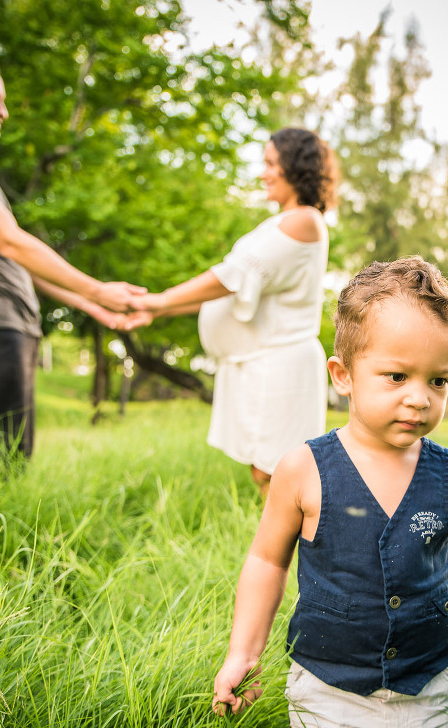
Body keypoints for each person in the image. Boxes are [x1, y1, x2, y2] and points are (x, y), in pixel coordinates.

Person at [212, 257, 448, 728]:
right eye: (396, 376)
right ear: (344, 375)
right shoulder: (303, 469)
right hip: (328, 695)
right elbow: (267, 562)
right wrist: (244, 654)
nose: (419, 398)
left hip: (425, 691)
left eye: (439, 381)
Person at [0, 51, 144, 460]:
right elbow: (11, 242)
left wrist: (90, 304)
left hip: (7, 325)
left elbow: (12, 262)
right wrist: (98, 289)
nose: (3, 111)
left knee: (8, 458)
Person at [130, 127, 338, 496]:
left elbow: (235, 276)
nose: (264, 173)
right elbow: (236, 287)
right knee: (264, 473)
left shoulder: (304, 220)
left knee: (281, 475)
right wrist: (159, 312)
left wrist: (159, 299)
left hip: (282, 361)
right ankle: (279, 550)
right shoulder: (280, 222)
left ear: (296, 166)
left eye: (272, 163)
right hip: (262, 361)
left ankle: (296, 551)